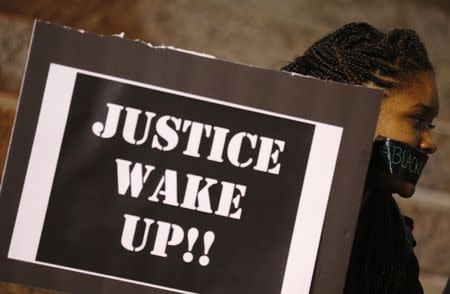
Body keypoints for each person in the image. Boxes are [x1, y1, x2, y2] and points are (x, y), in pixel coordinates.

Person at [282, 22, 439, 294]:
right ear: (355, 110)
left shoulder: (392, 243)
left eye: (430, 125)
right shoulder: (266, 205)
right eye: (417, 120)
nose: (430, 143)